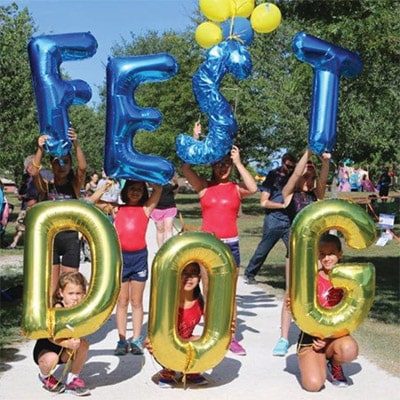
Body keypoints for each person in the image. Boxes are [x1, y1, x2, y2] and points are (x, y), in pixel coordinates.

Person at [182, 121, 258, 356]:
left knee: (229, 294)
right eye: (219, 164)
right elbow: (185, 169)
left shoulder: (236, 187)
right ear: (213, 165)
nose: (223, 167)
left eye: (226, 164)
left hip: (230, 245)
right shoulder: (204, 187)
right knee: (209, 291)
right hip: (209, 246)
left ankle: (230, 336)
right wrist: (196, 141)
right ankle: (211, 333)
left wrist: (238, 162)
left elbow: (253, 188)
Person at [272, 148, 330, 357]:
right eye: (306, 176)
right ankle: (283, 337)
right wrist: (307, 153)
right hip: (295, 254)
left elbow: (323, 180)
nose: (309, 180)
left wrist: (324, 163)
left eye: (311, 177)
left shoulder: (316, 195)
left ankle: (315, 332)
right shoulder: (289, 195)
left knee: (317, 292)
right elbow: (295, 175)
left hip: (315, 254)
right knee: (290, 294)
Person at [296, 234, 358, 391]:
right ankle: (314, 361)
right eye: (322, 254)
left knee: (349, 349)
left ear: (340, 254)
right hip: (312, 339)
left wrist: (329, 338)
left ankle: (335, 364)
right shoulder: (311, 279)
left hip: (335, 337)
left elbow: (351, 315)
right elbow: (301, 313)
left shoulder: (349, 280)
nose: (327, 258)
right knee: (314, 385)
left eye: (331, 253)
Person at [31, 127, 87, 292]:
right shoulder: (46, 188)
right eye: (57, 162)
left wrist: (76, 144)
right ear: (52, 165)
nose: (61, 166)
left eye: (66, 162)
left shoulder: (74, 186)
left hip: (70, 239)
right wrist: (40, 149)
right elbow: (34, 172)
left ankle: (70, 315)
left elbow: (82, 168)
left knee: (72, 286)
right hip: (51, 239)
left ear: (70, 165)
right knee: (52, 288)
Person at [113, 180, 162, 356]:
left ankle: (136, 339)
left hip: (139, 258)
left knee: (136, 301)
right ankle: (121, 339)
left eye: (139, 190)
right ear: (126, 190)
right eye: (132, 189)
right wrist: (105, 186)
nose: (135, 192)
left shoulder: (146, 209)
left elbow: (159, 189)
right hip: (121, 259)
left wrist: (145, 175)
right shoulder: (117, 208)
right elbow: (91, 201)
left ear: (144, 193)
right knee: (122, 301)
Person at [145, 262, 207, 388]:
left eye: (193, 273)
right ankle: (168, 370)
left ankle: (190, 371)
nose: (189, 277)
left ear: (199, 278)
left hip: (187, 343)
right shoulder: (168, 300)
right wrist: (150, 340)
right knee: (154, 342)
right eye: (184, 272)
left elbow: (213, 328)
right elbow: (155, 329)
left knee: (199, 339)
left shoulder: (200, 301)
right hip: (167, 345)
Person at [33, 271, 90, 395]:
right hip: (47, 349)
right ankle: (45, 377)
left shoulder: (80, 309)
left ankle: (73, 379)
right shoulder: (58, 309)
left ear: (84, 294)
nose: (75, 298)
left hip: (65, 351)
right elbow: (50, 337)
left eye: (78, 293)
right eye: (70, 293)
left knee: (83, 344)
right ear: (61, 293)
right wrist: (66, 343)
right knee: (51, 358)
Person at [243, 152, 297, 285]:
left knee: (294, 250)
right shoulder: (273, 176)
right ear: (282, 162)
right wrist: (282, 205)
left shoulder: (295, 177)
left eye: (292, 167)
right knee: (263, 249)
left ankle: (294, 279)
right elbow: (263, 202)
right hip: (274, 220)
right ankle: (249, 273)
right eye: (287, 166)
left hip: (290, 221)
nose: (289, 169)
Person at [150, 175, 179, 247]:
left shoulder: (171, 179)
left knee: (168, 228)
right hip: (157, 208)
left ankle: (169, 248)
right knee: (160, 229)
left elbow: (175, 190)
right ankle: (160, 249)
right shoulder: (155, 179)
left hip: (169, 207)